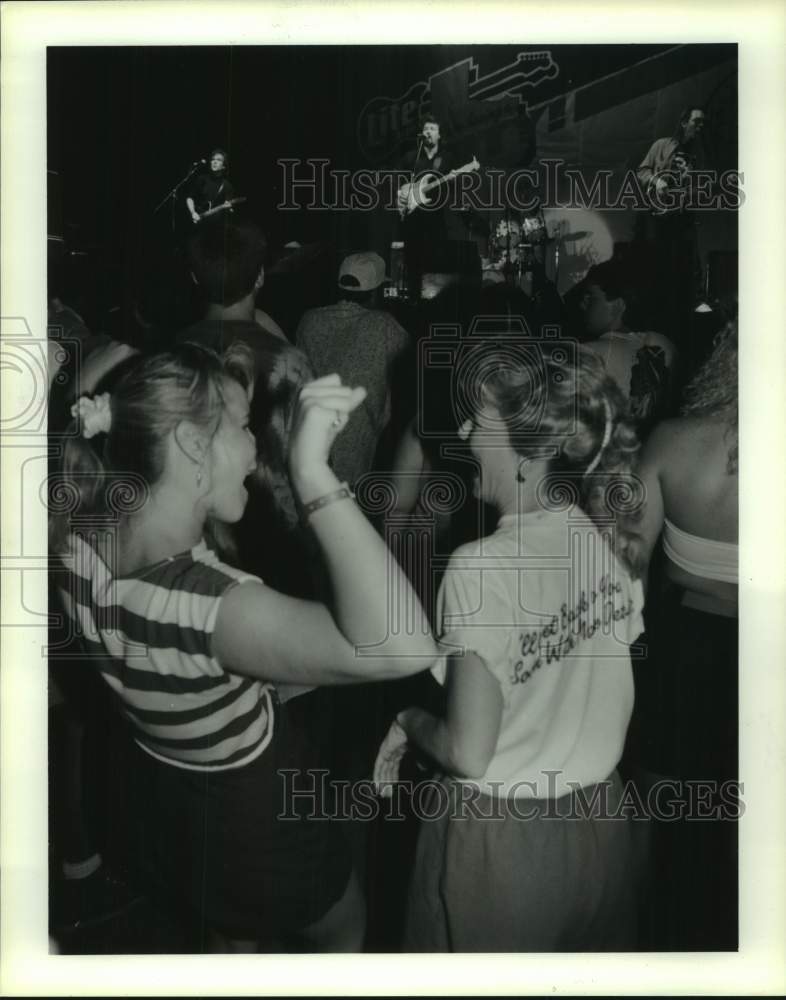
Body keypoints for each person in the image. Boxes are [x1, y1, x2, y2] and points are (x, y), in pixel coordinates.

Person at [49, 342, 437, 952]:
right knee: (342, 929)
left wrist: (93, 386)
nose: (257, 447)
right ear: (190, 446)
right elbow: (405, 648)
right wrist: (314, 472)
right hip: (259, 821)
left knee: (230, 933)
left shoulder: (74, 540)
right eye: (241, 428)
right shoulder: (208, 607)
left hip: (173, 803)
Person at [374, 344, 646, 952]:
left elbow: (468, 753)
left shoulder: (480, 567)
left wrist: (406, 721)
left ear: (533, 449)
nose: (465, 432)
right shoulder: (606, 534)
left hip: (501, 844)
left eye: (480, 422)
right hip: (603, 825)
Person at [622, 319, 738, 949]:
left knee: (654, 806)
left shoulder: (672, 440)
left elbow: (625, 565)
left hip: (681, 652)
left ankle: (643, 941)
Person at [295, 252, 409, 490]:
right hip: (361, 438)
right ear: (375, 292)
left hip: (312, 430)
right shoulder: (385, 326)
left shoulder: (309, 321)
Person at [579, 260, 677, 432]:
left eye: (591, 297)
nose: (583, 304)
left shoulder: (589, 351)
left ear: (618, 304)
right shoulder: (666, 345)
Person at [635, 108, 707, 333]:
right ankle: (652, 323)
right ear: (684, 122)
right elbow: (641, 171)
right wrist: (657, 182)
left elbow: (699, 189)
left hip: (682, 220)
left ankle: (676, 326)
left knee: (681, 272)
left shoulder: (699, 154)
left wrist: (692, 186)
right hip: (657, 218)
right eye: (696, 121)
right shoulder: (662, 145)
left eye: (703, 123)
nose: (700, 126)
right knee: (656, 269)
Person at [397, 115, 458, 300]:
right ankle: (413, 301)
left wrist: (449, 182)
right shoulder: (411, 158)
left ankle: (434, 305)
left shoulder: (447, 159)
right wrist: (401, 197)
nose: (428, 132)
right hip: (413, 222)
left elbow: (453, 188)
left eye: (432, 129)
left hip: (436, 221)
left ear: (440, 135)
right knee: (413, 268)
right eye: (426, 129)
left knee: (435, 267)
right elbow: (398, 184)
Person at [185, 148, 236, 226]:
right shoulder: (202, 179)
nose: (214, 162)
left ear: (224, 166)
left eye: (219, 160)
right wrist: (193, 212)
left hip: (215, 227)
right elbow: (190, 198)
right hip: (197, 222)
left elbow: (229, 211)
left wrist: (229, 209)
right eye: (213, 159)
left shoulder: (227, 186)